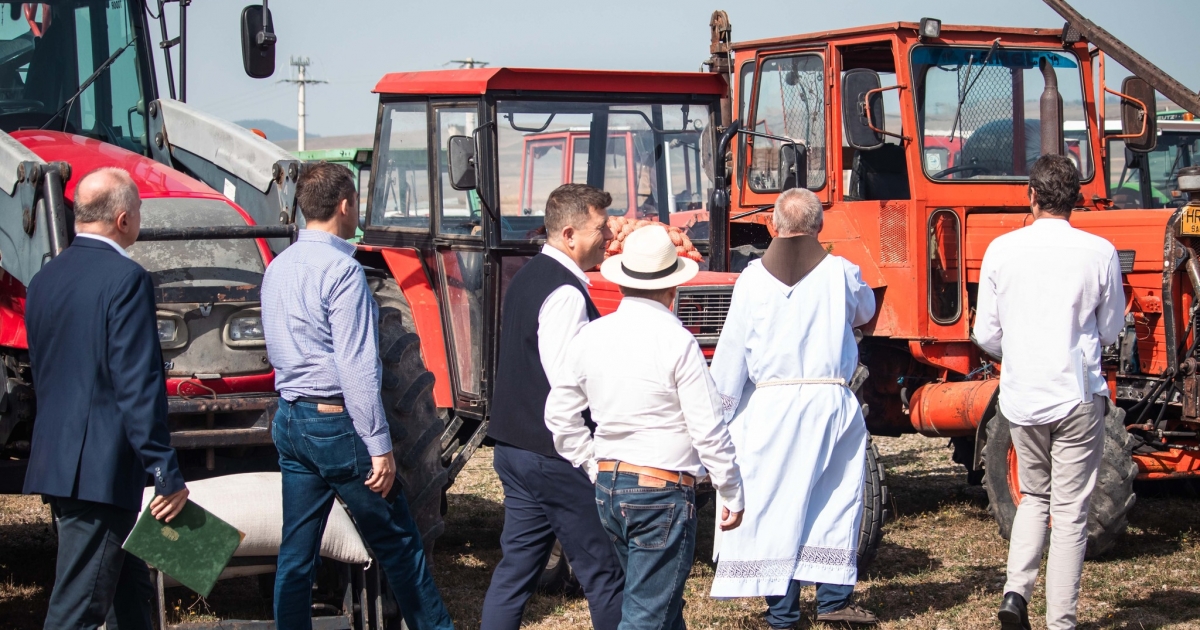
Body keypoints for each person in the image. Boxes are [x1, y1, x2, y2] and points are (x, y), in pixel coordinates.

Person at [261, 162, 452, 630]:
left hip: (290, 419)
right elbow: (357, 366)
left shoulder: (278, 266)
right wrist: (380, 447)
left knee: (297, 553)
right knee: (399, 544)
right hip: (334, 424)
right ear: (345, 205)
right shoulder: (343, 271)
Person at [546, 225, 745, 630]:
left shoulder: (590, 336)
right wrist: (731, 488)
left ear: (621, 284)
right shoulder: (677, 341)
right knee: (647, 615)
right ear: (672, 288)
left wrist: (593, 463)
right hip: (660, 490)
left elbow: (559, 415)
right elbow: (708, 428)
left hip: (610, 485)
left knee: (658, 607)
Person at [23, 167, 189, 630]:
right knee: (77, 610)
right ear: (123, 219)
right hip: (101, 470)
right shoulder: (127, 278)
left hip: (61, 462)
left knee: (129, 597)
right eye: (138, 210)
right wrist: (165, 470)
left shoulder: (45, 278)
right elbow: (136, 385)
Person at [708, 187, 878, 626]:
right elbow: (865, 311)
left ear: (773, 225)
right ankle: (833, 600)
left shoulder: (750, 279)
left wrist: (718, 416)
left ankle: (783, 613)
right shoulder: (842, 272)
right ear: (819, 225)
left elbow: (732, 353)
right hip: (829, 400)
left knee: (773, 505)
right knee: (834, 497)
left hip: (772, 406)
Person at [973, 154, 1124, 630]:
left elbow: (985, 333)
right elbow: (1111, 329)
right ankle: (1060, 621)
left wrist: (1022, 352)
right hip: (1076, 392)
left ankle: (1015, 593)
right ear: (1076, 199)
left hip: (1022, 394)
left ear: (1032, 195)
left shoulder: (1001, 250)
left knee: (1035, 496)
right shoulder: (1100, 252)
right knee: (1071, 512)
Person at [481, 183, 624, 630]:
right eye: (601, 228)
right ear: (569, 234)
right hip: (554, 455)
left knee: (516, 571)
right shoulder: (565, 294)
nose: (608, 236)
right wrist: (588, 458)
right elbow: (566, 386)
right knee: (605, 572)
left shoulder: (530, 276)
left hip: (516, 447)